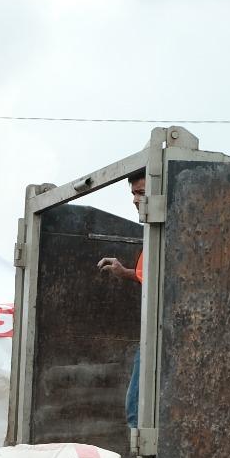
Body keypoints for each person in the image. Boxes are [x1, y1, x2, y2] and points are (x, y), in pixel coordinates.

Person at [97, 167, 146, 429]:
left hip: (163, 338)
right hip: (154, 337)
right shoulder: (154, 234)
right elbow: (151, 278)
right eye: (134, 194)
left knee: (137, 410)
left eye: (141, 193)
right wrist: (125, 272)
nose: (136, 199)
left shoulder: (171, 231)